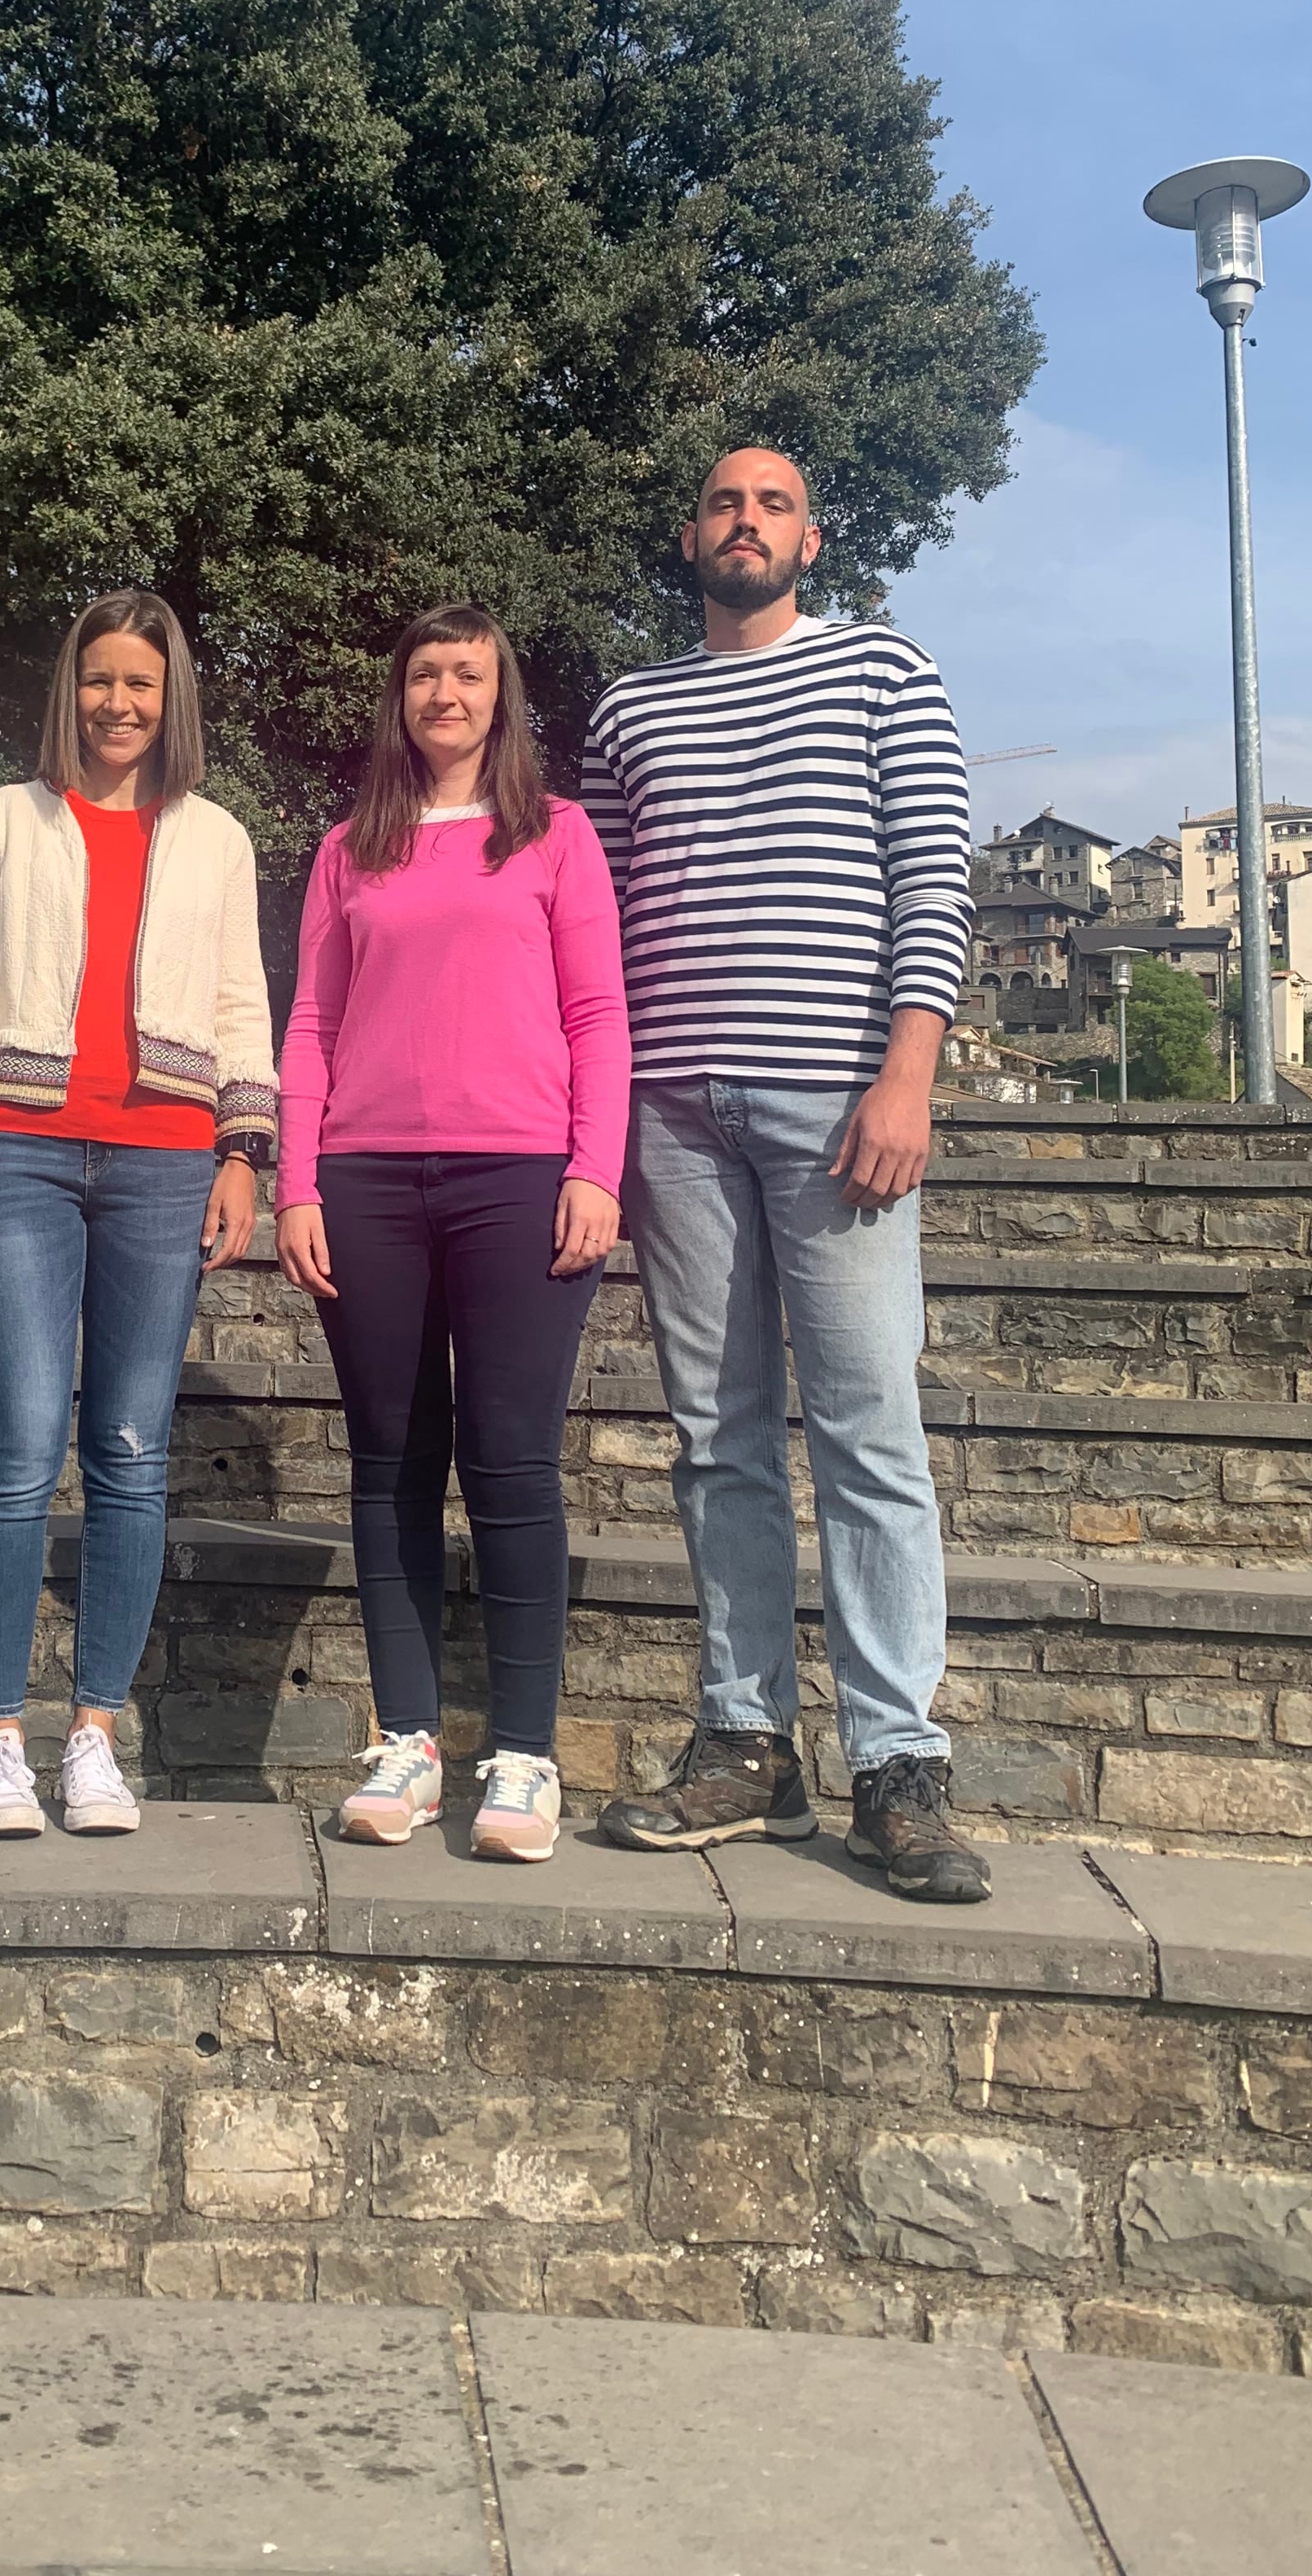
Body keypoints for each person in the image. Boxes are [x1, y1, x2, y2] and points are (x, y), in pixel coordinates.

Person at [582, 445, 990, 1902]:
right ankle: (747, 1741)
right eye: (719, 502)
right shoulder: (628, 707)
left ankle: (899, 1759)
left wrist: (910, 1072)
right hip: (675, 1114)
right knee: (717, 1433)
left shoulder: (886, 672)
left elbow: (933, 873)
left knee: (871, 1430)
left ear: (809, 537)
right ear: (688, 533)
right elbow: (605, 923)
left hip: (840, 1104)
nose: (741, 522)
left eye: (769, 504)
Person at [0, 591, 276, 1839]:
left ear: (171, 698)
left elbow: (241, 1004)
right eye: (98, 681)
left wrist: (246, 1152)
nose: (119, 705)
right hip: (20, 1151)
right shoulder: (11, 820)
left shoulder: (217, 838)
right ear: (69, 690)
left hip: (168, 1161)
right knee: (18, 1447)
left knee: (128, 1452)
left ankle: (96, 1737)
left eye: (142, 684)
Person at [276, 607, 630, 1863]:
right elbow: (311, 1026)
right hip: (366, 1182)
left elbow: (598, 1014)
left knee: (512, 1462)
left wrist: (598, 1168)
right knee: (389, 1464)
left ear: (500, 695)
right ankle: (411, 1743)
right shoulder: (347, 850)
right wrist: (297, 1186)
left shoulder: (556, 836)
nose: (445, 691)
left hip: (521, 1177)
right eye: (425, 673)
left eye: (467, 673)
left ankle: (524, 1757)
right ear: (401, 696)